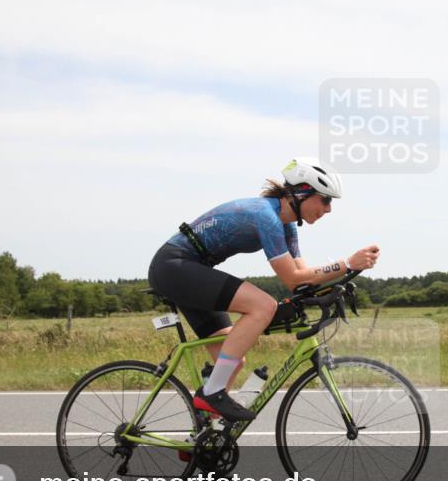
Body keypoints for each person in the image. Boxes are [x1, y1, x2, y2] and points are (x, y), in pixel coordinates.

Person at [147, 158, 380, 422]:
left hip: (191, 270)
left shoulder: (286, 224)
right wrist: (347, 262)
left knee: (232, 358)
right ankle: (211, 393)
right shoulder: (266, 217)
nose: (328, 209)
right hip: (174, 266)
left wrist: (341, 279)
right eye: (325, 200)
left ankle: (199, 437)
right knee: (263, 306)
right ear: (302, 193)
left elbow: (304, 279)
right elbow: (292, 278)